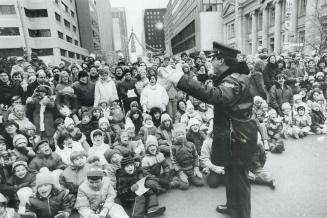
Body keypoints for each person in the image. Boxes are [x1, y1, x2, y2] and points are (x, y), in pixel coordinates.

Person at [162, 46, 266, 218]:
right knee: (231, 174)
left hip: (238, 137)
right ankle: (232, 206)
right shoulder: (233, 76)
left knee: (239, 179)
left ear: (221, 60)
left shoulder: (233, 80)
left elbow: (214, 95)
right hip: (235, 135)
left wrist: (181, 79)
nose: (210, 61)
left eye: (213, 58)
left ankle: (242, 214)